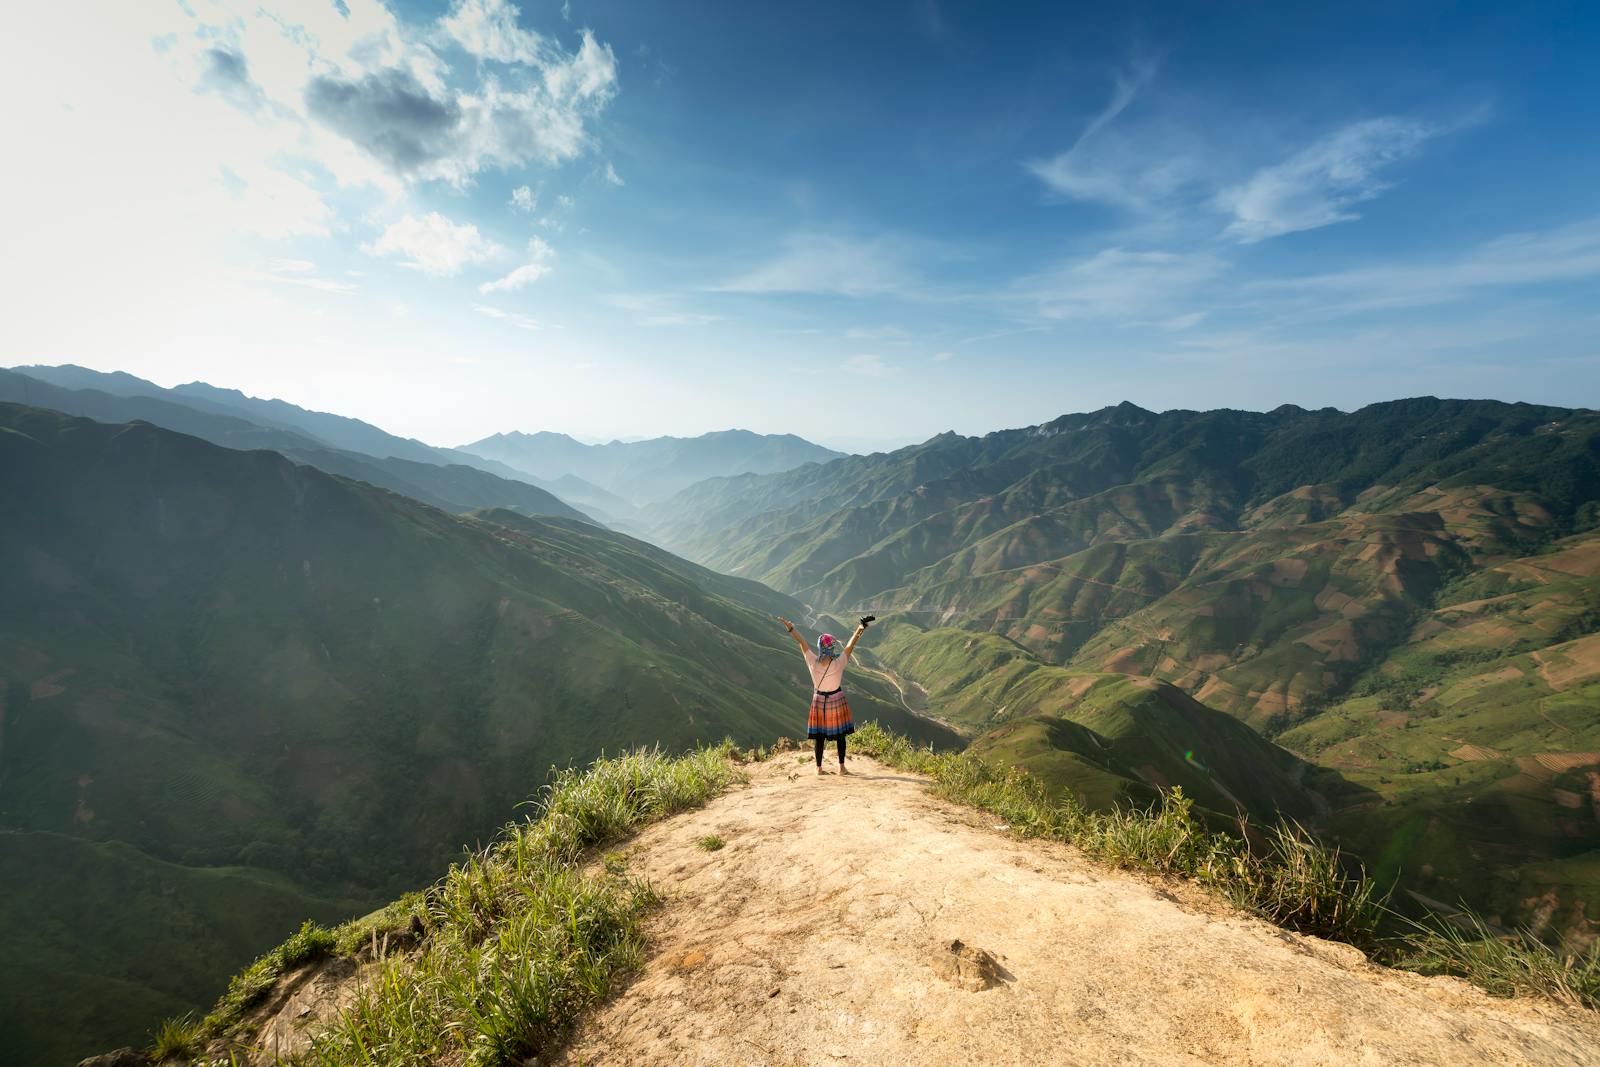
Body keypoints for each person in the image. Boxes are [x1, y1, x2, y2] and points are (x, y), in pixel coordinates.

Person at [778, 616, 867, 775]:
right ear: (832, 648)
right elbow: (850, 644)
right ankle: (841, 768)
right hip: (836, 699)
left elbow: (801, 642)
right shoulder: (839, 662)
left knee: (819, 736)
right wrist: (861, 627)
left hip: (819, 700)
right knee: (840, 736)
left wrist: (790, 627)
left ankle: (818, 768)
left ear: (819, 648)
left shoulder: (812, 661)